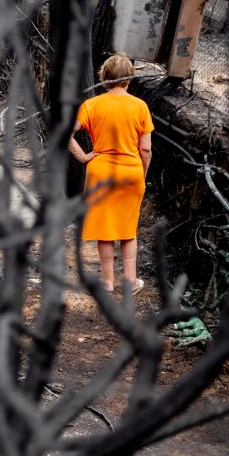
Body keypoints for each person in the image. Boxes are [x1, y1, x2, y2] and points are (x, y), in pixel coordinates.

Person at [68, 54, 153, 295]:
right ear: (129, 79)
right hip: (130, 173)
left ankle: (107, 282)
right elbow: (145, 149)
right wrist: (142, 175)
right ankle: (130, 282)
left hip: (100, 172)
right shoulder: (140, 106)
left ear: (104, 78)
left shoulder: (91, 105)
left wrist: (83, 157)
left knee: (105, 231)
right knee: (128, 230)